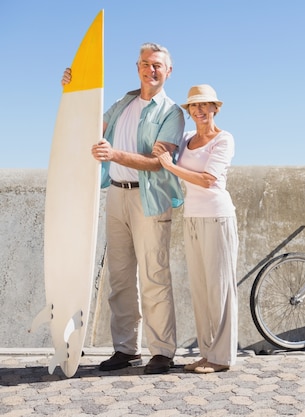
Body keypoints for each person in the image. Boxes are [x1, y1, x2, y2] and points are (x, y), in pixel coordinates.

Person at [61, 42, 184, 374]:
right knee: (120, 277)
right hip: (116, 194)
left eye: (158, 65)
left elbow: (158, 163)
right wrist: (72, 91)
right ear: (138, 67)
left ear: (168, 71)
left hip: (150, 199)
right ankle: (126, 350)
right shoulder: (121, 103)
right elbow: (88, 127)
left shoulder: (172, 113)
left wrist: (114, 154)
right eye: (146, 63)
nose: (151, 69)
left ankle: (162, 352)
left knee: (154, 276)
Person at [153, 84, 238, 373]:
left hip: (217, 217)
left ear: (215, 108)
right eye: (194, 106)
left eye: (205, 105)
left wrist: (169, 165)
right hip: (192, 218)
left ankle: (222, 357)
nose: (199, 110)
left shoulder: (224, 139)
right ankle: (207, 353)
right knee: (201, 290)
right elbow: (162, 148)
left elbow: (207, 179)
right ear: (189, 112)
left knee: (220, 289)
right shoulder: (187, 138)